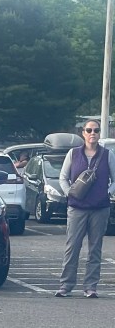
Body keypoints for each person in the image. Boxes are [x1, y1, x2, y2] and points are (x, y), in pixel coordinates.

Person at [56, 120, 115, 297]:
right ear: (83, 133)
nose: (92, 133)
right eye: (89, 130)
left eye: (96, 130)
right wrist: (69, 193)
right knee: (72, 246)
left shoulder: (107, 155)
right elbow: (63, 177)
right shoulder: (73, 154)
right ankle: (66, 285)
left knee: (95, 248)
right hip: (77, 208)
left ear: (99, 133)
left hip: (100, 208)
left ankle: (90, 287)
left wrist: (107, 193)